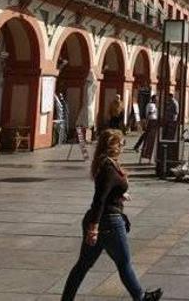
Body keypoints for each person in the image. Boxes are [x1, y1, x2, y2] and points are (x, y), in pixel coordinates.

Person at [62, 129, 162, 301]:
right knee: (124, 264)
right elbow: (99, 200)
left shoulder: (108, 163)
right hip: (110, 223)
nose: (123, 146)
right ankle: (141, 298)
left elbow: (106, 193)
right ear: (113, 146)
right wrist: (93, 229)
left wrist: (119, 195)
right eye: (121, 143)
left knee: (83, 265)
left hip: (103, 221)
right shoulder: (108, 167)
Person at [138, 95, 158, 160]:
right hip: (152, 121)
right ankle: (146, 151)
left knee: (146, 135)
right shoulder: (152, 105)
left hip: (151, 120)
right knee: (149, 136)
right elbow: (150, 112)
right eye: (156, 99)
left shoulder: (149, 104)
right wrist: (147, 120)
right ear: (153, 99)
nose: (157, 100)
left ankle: (138, 145)